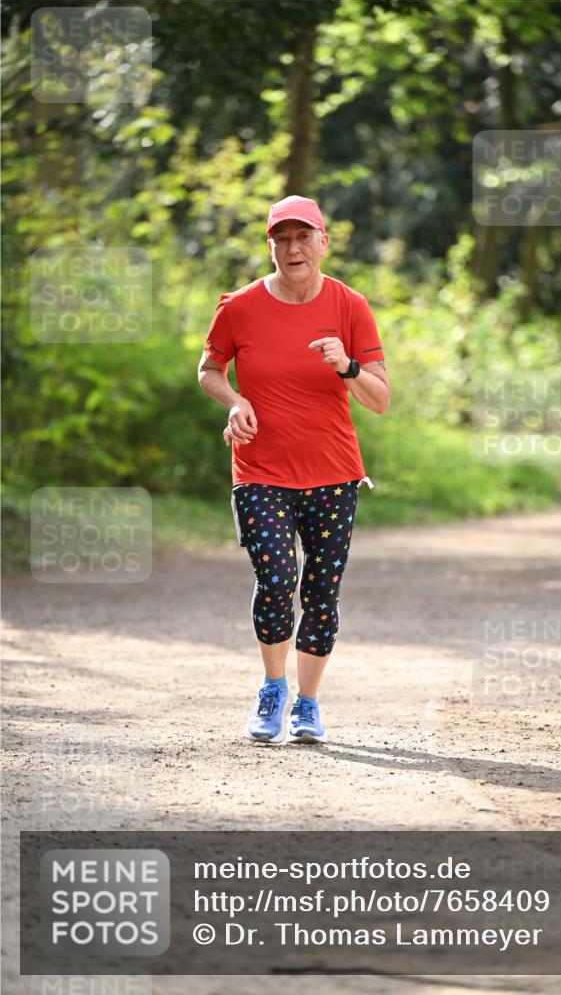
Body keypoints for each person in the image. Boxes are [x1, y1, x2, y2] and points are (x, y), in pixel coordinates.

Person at [198, 195, 390, 745]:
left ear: (323, 241)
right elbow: (209, 369)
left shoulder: (350, 306)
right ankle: (272, 687)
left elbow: (379, 399)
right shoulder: (239, 307)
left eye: (303, 236)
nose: (293, 248)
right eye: (281, 239)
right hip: (260, 470)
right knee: (277, 579)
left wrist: (347, 366)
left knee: (322, 591)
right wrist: (235, 401)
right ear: (270, 246)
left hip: (334, 474)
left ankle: (307, 703)